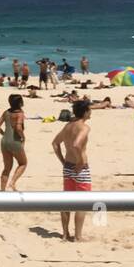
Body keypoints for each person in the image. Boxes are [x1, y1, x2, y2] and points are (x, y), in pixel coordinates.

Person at [52, 99, 92, 242]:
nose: (91, 112)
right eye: (89, 109)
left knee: (66, 200)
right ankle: (78, 236)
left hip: (68, 166)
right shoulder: (84, 127)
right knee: (83, 202)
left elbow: (55, 143)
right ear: (85, 112)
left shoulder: (68, 126)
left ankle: (64, 234)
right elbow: (76, 144)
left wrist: (63, 161)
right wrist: (80, 161)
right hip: (79, 168)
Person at [0, 94, 27, 190]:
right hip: (15, 141)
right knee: (23, 163)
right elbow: (18, 128)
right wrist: (23, 137)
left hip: (4, 141)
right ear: (20, 103)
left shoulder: (6, 112)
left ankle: (2, 190)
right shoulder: (20, 113)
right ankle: (12, 183)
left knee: (7, 168)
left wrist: (4, 134)